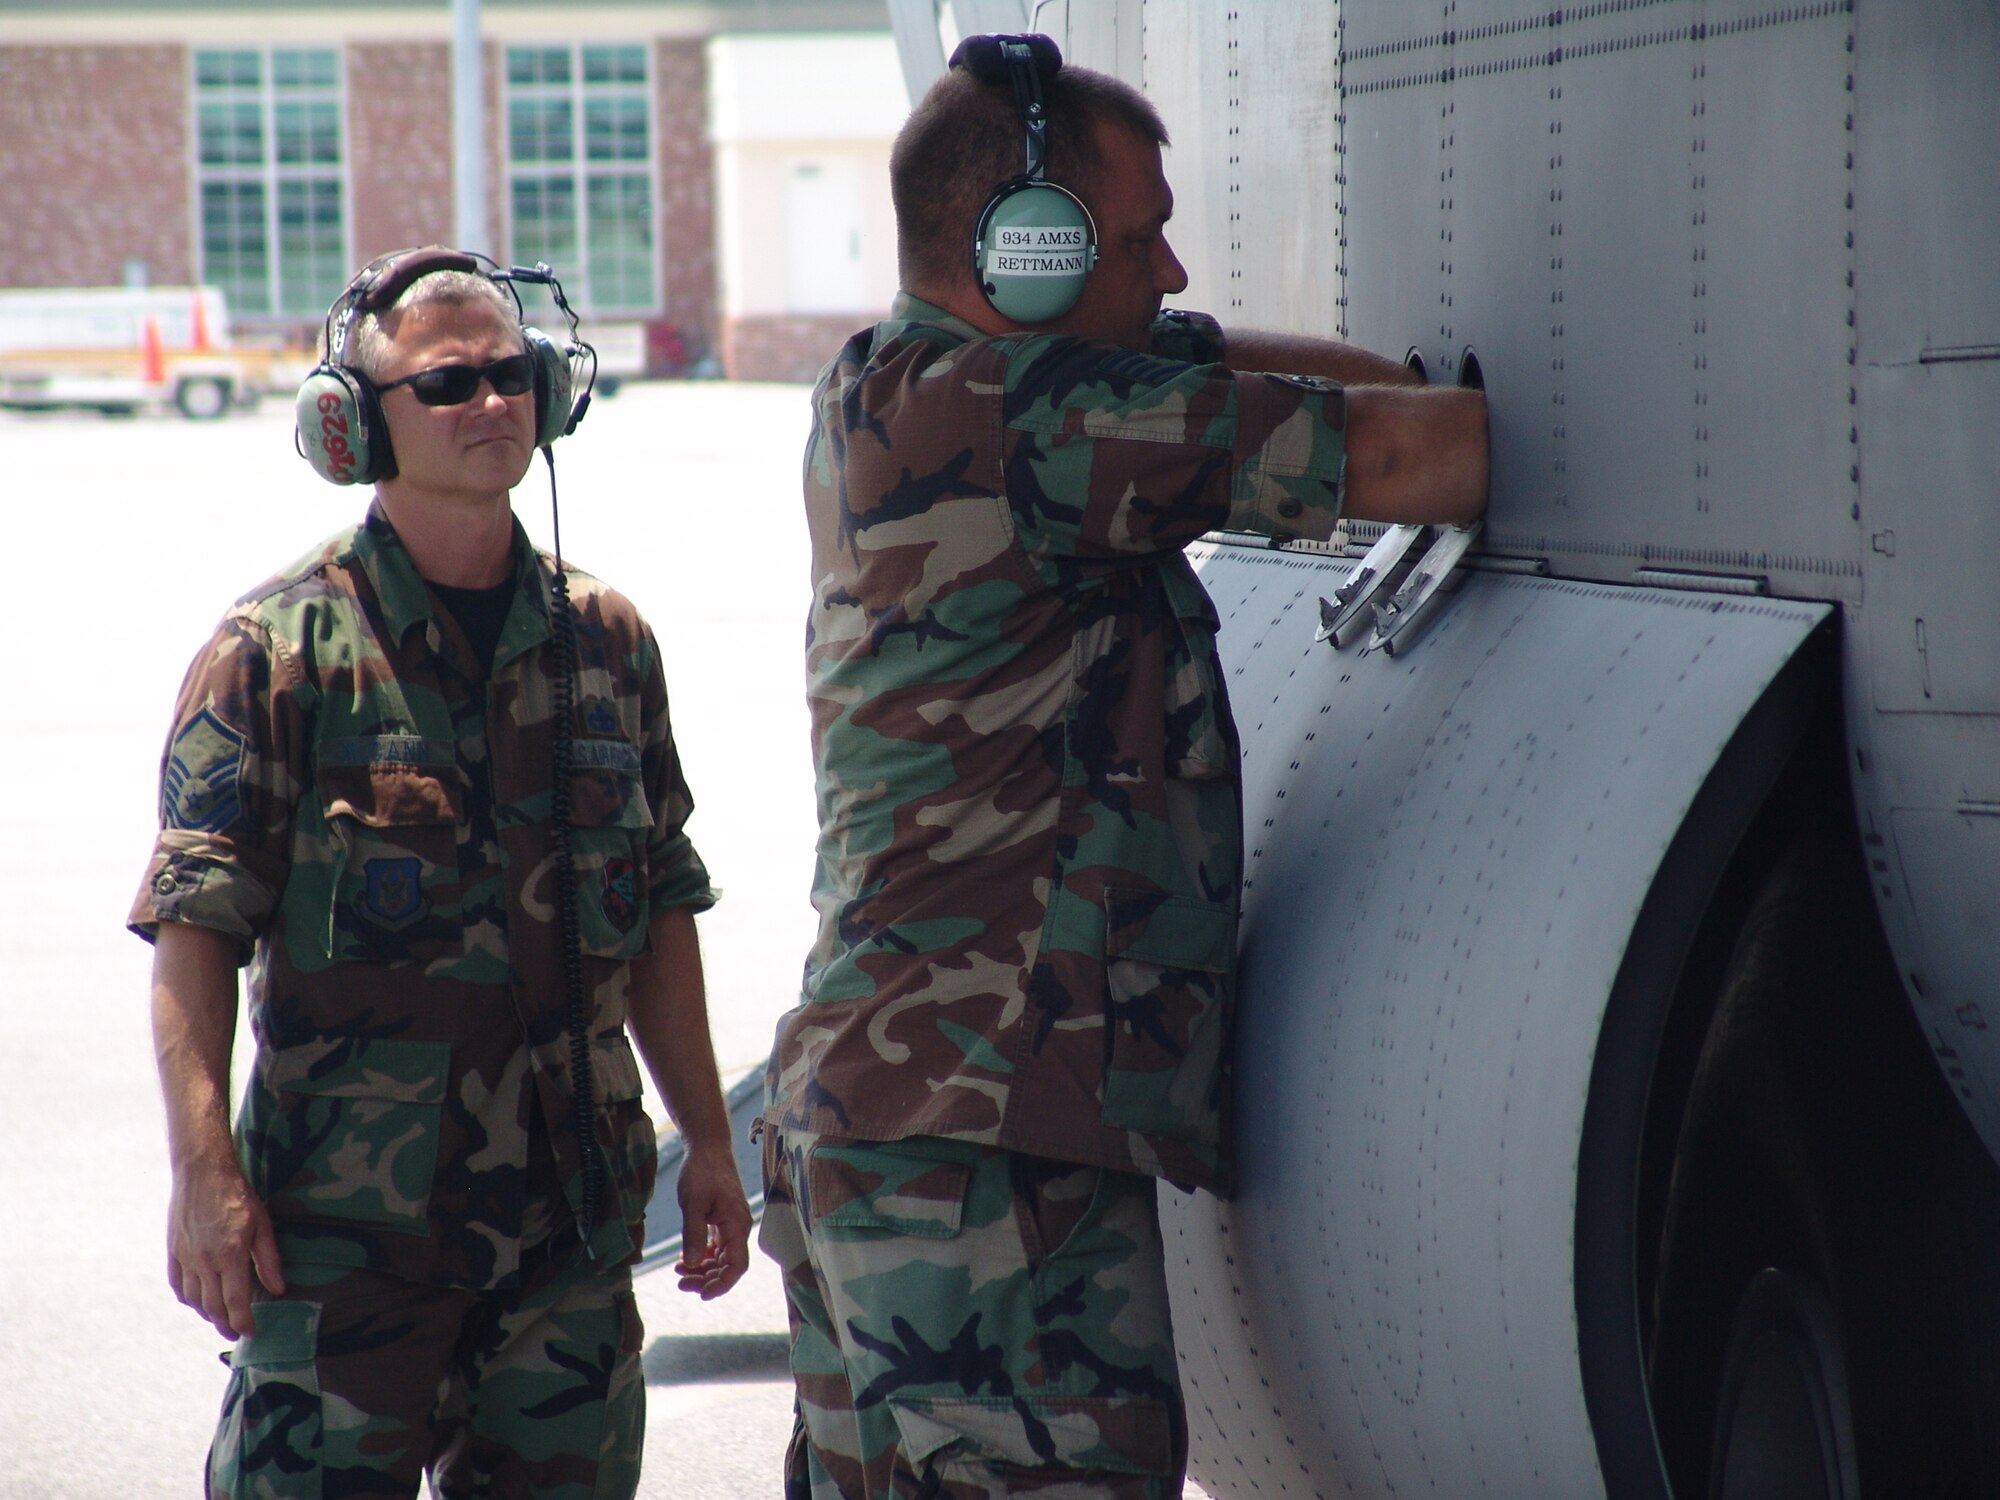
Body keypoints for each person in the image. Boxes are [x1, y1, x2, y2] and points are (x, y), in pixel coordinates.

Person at [758, 35, 1489, 1500]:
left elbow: (1200, 361)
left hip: (872, 1129)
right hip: (987, 1160)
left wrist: (1247, 359)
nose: (1170, 269)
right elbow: (1430, 460)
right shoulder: (1032, 422)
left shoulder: (885, 385)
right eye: (1139, 237)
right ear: (1022, 250)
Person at [130, 247, 752, 1499]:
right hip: (346, 1250)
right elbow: (196, 929)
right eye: (448, 383)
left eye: (512, 374)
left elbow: (657, 911)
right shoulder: (274, 653)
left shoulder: (606, 643)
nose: (492, 403)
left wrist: (707, 1144)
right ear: (354, 424)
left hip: (566, 1240)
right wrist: (204, 1178)